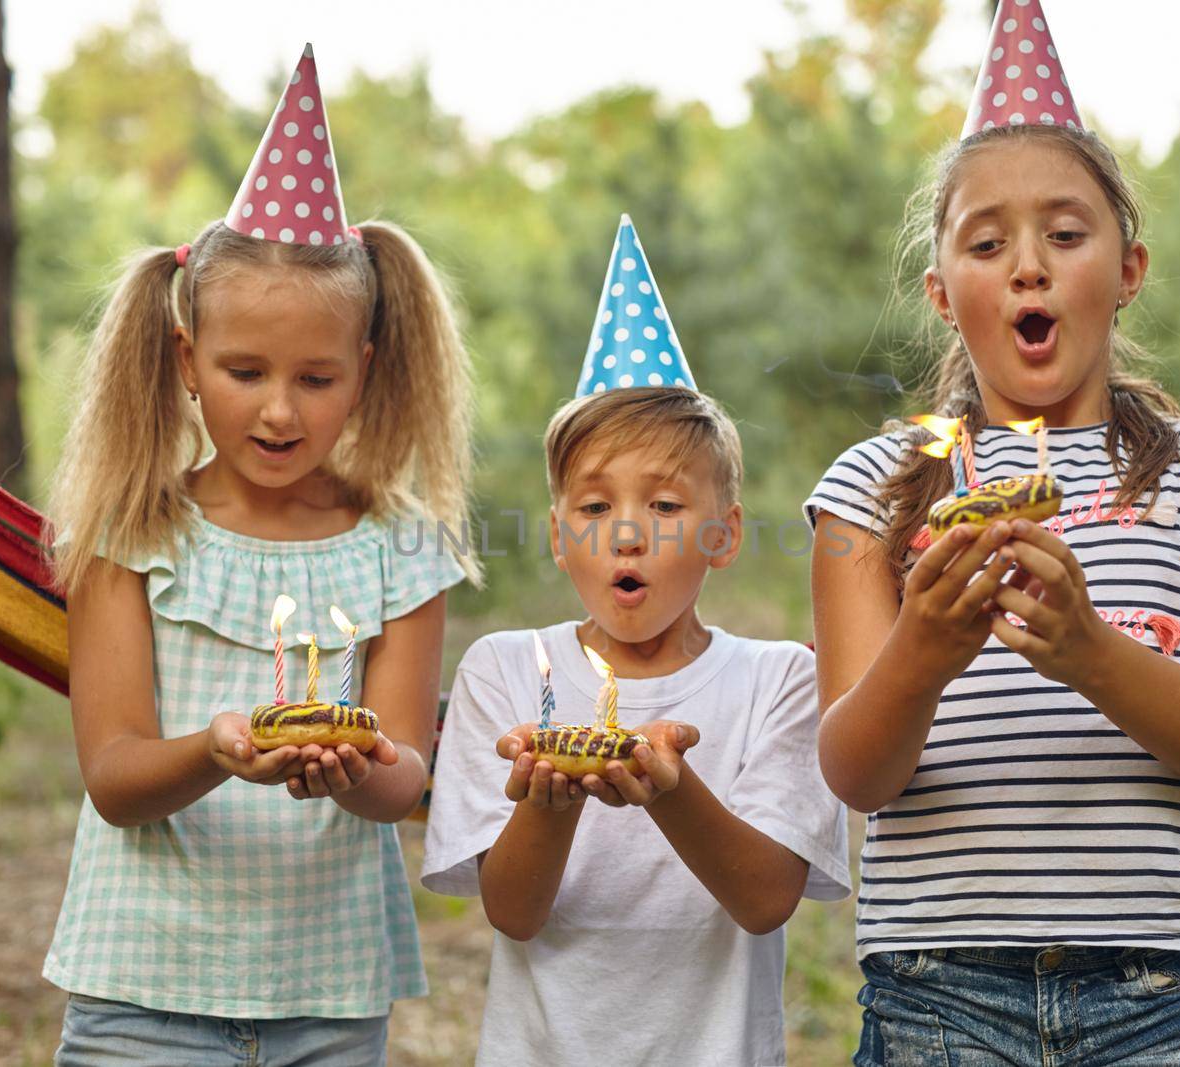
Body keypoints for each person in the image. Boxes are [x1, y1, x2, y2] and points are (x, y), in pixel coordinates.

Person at [806, 4, 1180, 1064]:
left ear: (1127, 270)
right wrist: (922, 656)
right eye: (987, 244)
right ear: (943, 292)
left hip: (1164, 995)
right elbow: (853, 771)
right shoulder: (870, 491)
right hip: (939, 1000)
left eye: (1065, 235)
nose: (1027, 266)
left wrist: (1087, 652)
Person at [43, 45, 475, 1065]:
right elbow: (113, 774)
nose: (280, 409)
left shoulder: (402, 549)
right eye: (245, 370)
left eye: (316, 377)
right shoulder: (130, 531)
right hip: (140, 989)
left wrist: (352, 765)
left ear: (363, 373)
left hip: (327, 995)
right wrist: (219, 749)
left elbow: (406, 774)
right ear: (188, 359)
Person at [422, 216, 850, 1067]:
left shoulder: (779, 680)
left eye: (662, 506)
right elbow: (512, 911)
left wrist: (668, 788)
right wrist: (553, 797)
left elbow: (766, 898)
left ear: (724, 536)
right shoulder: (504, 673)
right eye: (593, 507)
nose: (626, 534)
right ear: (557, 535)